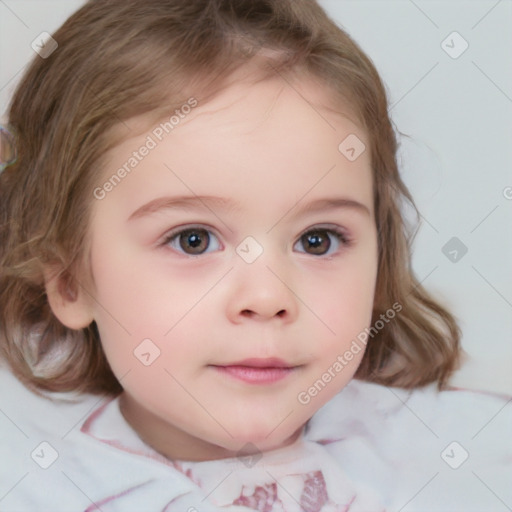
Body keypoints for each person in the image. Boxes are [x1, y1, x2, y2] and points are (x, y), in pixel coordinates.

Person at [0, 1, 509, 510]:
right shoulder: (38, 489)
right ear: (69, 279)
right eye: (192, 239)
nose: (268, 297)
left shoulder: (459, 456)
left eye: (318, 240)